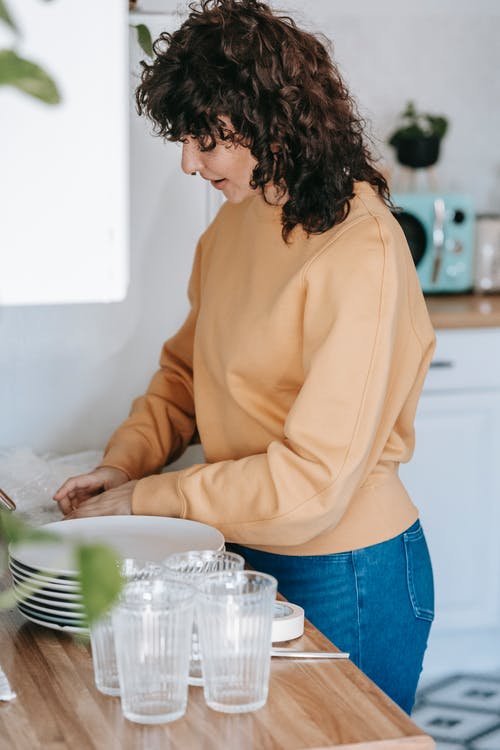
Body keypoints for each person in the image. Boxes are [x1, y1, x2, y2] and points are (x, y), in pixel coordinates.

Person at [54, 0, 435, 713]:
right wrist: (124, 462)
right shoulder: (234, 226)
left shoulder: (362, 248)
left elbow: (313, 486)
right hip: (236, 550)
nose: (187, 161)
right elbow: (185, 376)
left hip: (346, 570)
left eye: (206, 139)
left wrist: (147, 499)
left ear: (269, 119)